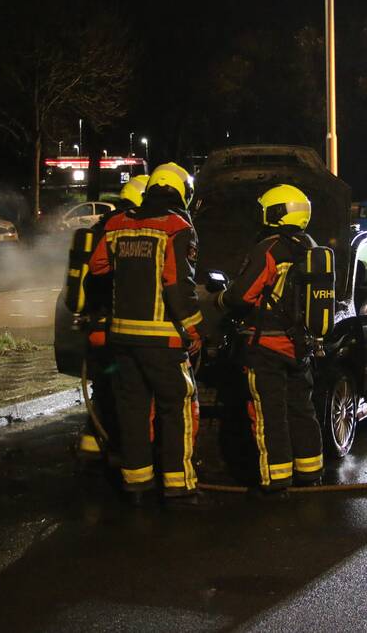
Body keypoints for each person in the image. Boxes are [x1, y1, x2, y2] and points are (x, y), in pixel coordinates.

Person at [87, 162, 205, 504]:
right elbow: (178, 285)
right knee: (176, 408)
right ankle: (179, 487)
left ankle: (136, 485)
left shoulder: (117, 223)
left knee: (133, 410)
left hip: (123, 338)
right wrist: (195, 329)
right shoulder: (177, 227)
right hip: (163, 340)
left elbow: (97, 267)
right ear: (182, 191)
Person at [215, 184, 324, 494]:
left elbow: (241, 296)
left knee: (268, 415)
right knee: (302, 411)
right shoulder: (311, 248)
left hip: (266, 347)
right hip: (299, 346)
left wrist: (220, 300)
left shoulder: (270, 248)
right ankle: (310, 473)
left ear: (275, 213)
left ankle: (275, 481)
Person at [76, 175, 149, 464]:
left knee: (104, 387)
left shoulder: (100, 226)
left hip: (96, 322)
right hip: (116, 326)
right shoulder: (126, 229)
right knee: (125, 391)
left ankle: (92, 444)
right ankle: (120, 450)